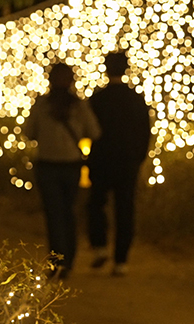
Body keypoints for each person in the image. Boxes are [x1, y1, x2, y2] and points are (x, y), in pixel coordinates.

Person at [26, 63, 100, 279]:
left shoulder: (42, 105)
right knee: (69, 213)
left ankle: (57, 262)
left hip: (48, 165)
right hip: (71, 165)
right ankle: (68, 260)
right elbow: (95, 132)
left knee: (54, 215)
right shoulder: (79, 106)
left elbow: (29, 133)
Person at [86, 51, 152, 276]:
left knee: (96, 203)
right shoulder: (135, 99)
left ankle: (100, 246)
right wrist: (138, 157)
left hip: (101, 159)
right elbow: (145, 132)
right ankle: (121, 260)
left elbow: (87, 129)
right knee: (125, 208)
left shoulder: (97, 98)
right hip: (127, 161)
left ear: (106, 69)